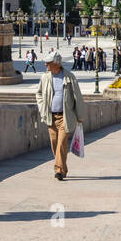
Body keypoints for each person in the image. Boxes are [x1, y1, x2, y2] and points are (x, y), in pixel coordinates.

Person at [36, 52, 85, 180]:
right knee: (54, 143)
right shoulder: (45, 77)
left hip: (65, 117)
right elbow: (39, 94)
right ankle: (63, 168)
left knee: (62, 143)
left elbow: (77, 97)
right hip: (50, 116)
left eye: (48, 62)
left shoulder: (69, 77)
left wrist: (80, 116)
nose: (45, 64)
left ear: (56, 63)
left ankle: (58, 170)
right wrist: (42, 108)